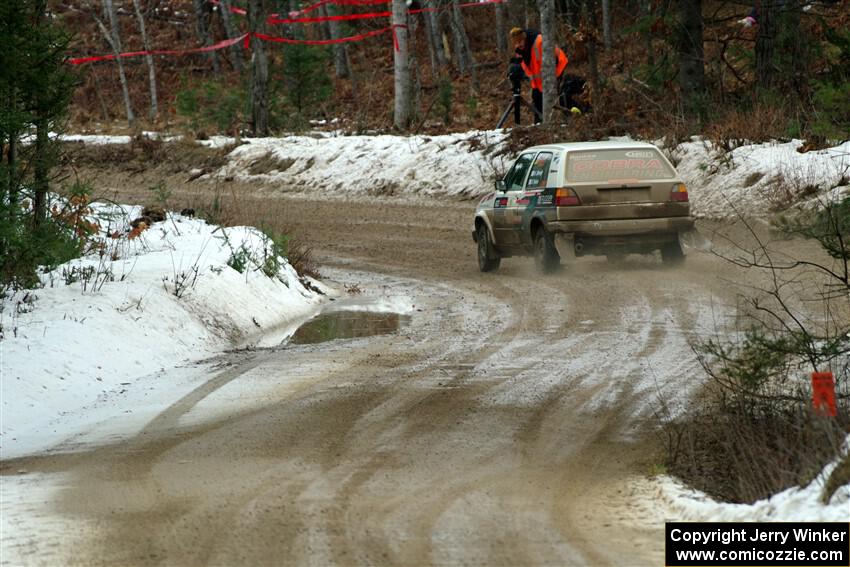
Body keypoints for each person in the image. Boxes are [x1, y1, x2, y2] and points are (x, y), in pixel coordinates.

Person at [509, 27, 569, 123]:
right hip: (539, 82)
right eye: (516, 42)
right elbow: (526, 66)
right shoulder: (520, 49)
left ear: (525, 38)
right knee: (537, 97)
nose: (518, 44)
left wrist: (554, 78)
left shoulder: (539, 42)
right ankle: (539, 123)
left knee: (552, 100)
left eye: (520, 41)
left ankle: (560, 122)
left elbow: (557, 58)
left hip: (556, 71)